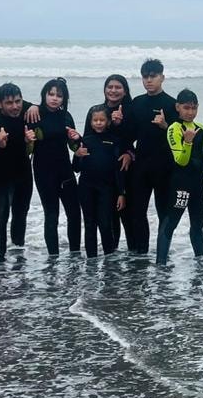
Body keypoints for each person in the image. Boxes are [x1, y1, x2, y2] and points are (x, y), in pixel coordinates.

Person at [156, 89, 203, 264]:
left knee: (198, 225)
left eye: (194, 108)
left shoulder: (200, 129)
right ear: (178, 107)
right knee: (171, 223)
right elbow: (181, 160)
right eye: (186, 108)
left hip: (197, 185)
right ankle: (161, 263)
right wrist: (187, 142)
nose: (190, 112)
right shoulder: (174, 128)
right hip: (180, 184)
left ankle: (200, 263)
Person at [126, 59, 178, 255]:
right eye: (145, 77)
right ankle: (142, 253)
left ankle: (162, 254)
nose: (149, 80)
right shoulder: (137, 103)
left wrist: (166, 127)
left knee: (164, 212)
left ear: (162, 78)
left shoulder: (172, 105)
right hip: (141, 166)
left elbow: (181, 137)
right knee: (138, 211)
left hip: (165, 167)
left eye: (153, 76)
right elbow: (128, 134)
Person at [83, 74, 135, 251]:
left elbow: (135, 140)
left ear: (125, 90)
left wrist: (129, 153)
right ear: (104, 89)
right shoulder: (98, 111)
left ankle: (134, 254)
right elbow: (88, 141)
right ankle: (112, 251)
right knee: (108, 217)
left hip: (124, 168)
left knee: (127, 213)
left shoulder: (131, 110)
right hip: (101, 174)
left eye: (118, 87)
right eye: (110, 87)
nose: (113, 90)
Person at [31, 78, 82, 255]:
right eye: (51, 94)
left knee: (74, 214)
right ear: (44, 95)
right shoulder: (34, 114)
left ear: (64, 98)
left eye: (59, 96)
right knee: (51, 216)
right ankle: (53, 257)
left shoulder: (66, 116)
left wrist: (76, 139)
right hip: (43, 172)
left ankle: (75, 254)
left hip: (65, 171)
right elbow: (28, 149)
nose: (54, 98)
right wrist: (28, 141)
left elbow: (74, 148)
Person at [0, 83, 35, 263]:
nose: (15, 106)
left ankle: (18, 250)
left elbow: (37, 107)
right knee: (1, 214)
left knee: (21, 212)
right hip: (1, 175)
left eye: (18, 101)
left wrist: (33, 106)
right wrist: (0, 143)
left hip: (23, 173)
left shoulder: (26, 110)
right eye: (9, 103)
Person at [74, 105, 126, 258]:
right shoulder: (85, 140)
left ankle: (109, 260)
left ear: (108, 121)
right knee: (89, 224)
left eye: (102, 120)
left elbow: (119, 169)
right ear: (90, 122)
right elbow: (76, 168)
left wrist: (121, 193)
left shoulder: (114, 141)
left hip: (107, 189)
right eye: (95, 120)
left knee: (105, 223)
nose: (98, 123)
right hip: (86, 187)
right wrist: (77, 155)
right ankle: (91, 260)